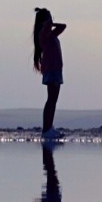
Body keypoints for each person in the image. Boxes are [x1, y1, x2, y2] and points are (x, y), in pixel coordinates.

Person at [32, 7, 66, 135]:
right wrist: (47, 23)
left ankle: (49, 127)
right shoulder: (43, 34)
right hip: (51, 70)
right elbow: (47, 26)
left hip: (56, 69)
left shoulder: (51, 34)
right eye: (49, 17)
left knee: (53, 100)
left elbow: (63, 26)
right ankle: (46, 129)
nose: (51, 20)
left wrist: (52, 23)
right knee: (51, 99)